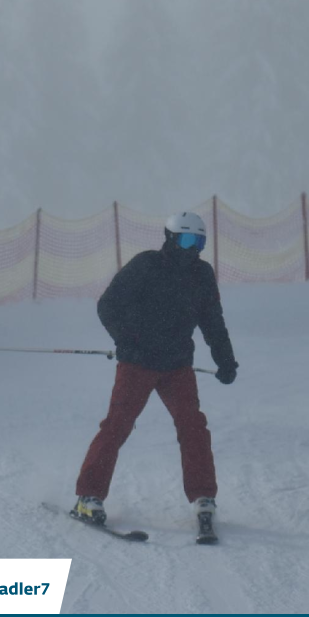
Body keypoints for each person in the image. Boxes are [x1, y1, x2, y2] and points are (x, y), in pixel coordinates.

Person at [73, 212, 237, 530]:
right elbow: (108, 305)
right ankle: (88, 496)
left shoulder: (202, 274)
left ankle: (203, 496)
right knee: (117, 425)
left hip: (177, 365)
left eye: (199, 242)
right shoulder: (146, 265)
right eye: (187, 241)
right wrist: (127, 340)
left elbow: (212, 321)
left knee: (193, 427)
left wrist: (225, 360)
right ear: (171, 238)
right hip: (138, 363)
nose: (192, 249)